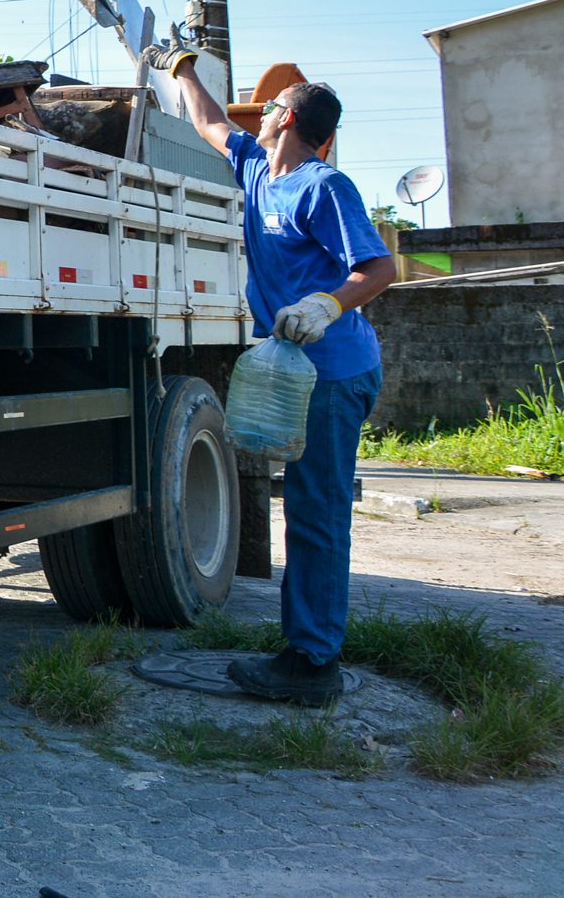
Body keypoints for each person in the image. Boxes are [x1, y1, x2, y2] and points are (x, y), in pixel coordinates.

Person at [149, 45, 397, 706]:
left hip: (335, 372)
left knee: (317, 513)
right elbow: (209, 124)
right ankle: (305, 647)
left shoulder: (323, 185)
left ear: (288, 119)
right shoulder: (257, 168)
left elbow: (379, 268)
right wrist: (182, 71)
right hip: (300, 372)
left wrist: (326, 304)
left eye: (269, 108)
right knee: (309, 508)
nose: (257, 113)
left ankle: (314, 663)